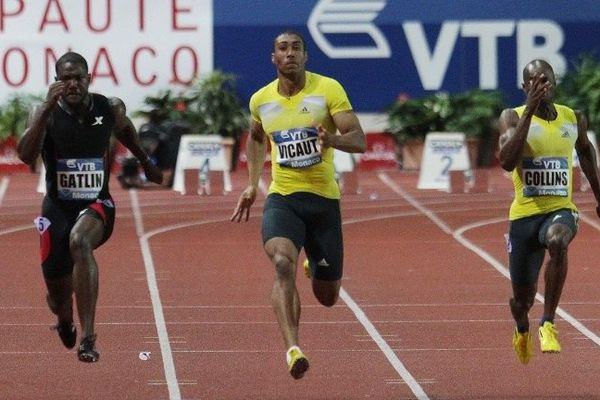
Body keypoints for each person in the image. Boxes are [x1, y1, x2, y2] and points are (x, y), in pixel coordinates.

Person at [230, 31, 366, 379]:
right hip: (283, 198)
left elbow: (359, 140)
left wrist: (330, 138)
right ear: (273, 58)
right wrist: (250, 185)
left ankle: (315, 264)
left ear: (306, 56)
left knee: (328, 296)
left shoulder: (328, 90)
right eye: (282, 49)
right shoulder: (261, 100)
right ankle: (293, 348)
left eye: (296, 48)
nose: (289, 54)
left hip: (323, 202)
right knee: (280, 261)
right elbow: (257, 139)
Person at [17, 51, 163, 362]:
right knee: (57, 295)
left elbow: (126, 132)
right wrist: (44, 110)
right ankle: (65, 318)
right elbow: (26, 156)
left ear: (88, 79)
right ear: (57, 82)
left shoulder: (109, 108)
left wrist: (145, 162)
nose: (72, 84)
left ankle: (89, 337)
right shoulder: (43, 112)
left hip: (98, 203)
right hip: (57, 207)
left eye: (78, 78)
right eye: (65, 79)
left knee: (80, 242)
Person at [498, 59, 600, 364]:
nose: (543, 86)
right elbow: (506, 160)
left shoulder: (573, 118)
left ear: (554, 84)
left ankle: (548, 323)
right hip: (524, 217)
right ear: (525, 87)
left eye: (547, 81)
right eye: (535, 81)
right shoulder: (511, 117)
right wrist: (529, 109)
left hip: (559, 209)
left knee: (558, 241)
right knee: (521, 300)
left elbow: (586, 155)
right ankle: (522, 326)